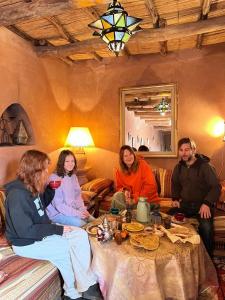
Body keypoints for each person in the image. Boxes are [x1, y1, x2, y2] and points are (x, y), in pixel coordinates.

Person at [4, 150, 102, 300]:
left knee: (80, 234)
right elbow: (26, 231)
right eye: (44, 169)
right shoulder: (17, 195)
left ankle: (86, 282)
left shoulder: (31, 186)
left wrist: (50, 189)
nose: (46, 173)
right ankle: (72, 293)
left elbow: (40, 206)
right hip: (25, 243)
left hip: (40, 232)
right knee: (65, 248)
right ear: (35, 170)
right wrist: (58, 229)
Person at [169, 137, 221, 256]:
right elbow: (175, 183)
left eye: (187, 149)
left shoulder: (205, 166)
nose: (184, 153)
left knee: (206, 227)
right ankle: (176, 255)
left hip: (202, 206)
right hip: (185, 205)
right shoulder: (178, 167)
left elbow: (216, 187)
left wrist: (207, 204)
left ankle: (207, 258)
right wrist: (176, 199)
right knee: (168, 218)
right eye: (181, 150)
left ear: (194, 150)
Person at [46, 150, 94, 227]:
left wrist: (83, 209)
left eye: (72, 161)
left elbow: (77, 196)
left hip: (72, 209)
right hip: (57, 214)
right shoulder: (54, 179)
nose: (70, 164)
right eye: (67, 161)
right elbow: (59, 206)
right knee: (84, 225)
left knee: (93, 221)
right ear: (61, 163)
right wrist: (77, 213)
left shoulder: (73, 176)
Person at [111, 145, 159, 210]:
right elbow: (119, 187)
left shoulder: (142, 164)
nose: (129, 157)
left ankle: (121, 216)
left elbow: (151, 186)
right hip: (131, 200)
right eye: (125, 156)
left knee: (121, 207)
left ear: (133, 154)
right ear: (122, 159)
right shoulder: (119, 171)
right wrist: (125, 191)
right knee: (117, 196)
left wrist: (135, 200)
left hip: (147, 200)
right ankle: (118, 217)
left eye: (130, 154)